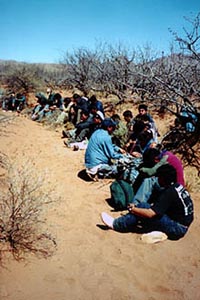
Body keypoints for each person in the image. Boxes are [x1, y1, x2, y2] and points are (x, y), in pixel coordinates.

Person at [101, 164, 194, 240]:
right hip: (182, 225)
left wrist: (134, 209)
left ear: (163, 179)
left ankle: (117, 224)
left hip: (177, 228)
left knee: (142, 207)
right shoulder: (178, 187)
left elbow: (150, 214)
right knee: (144, 208)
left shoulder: (169, 192)